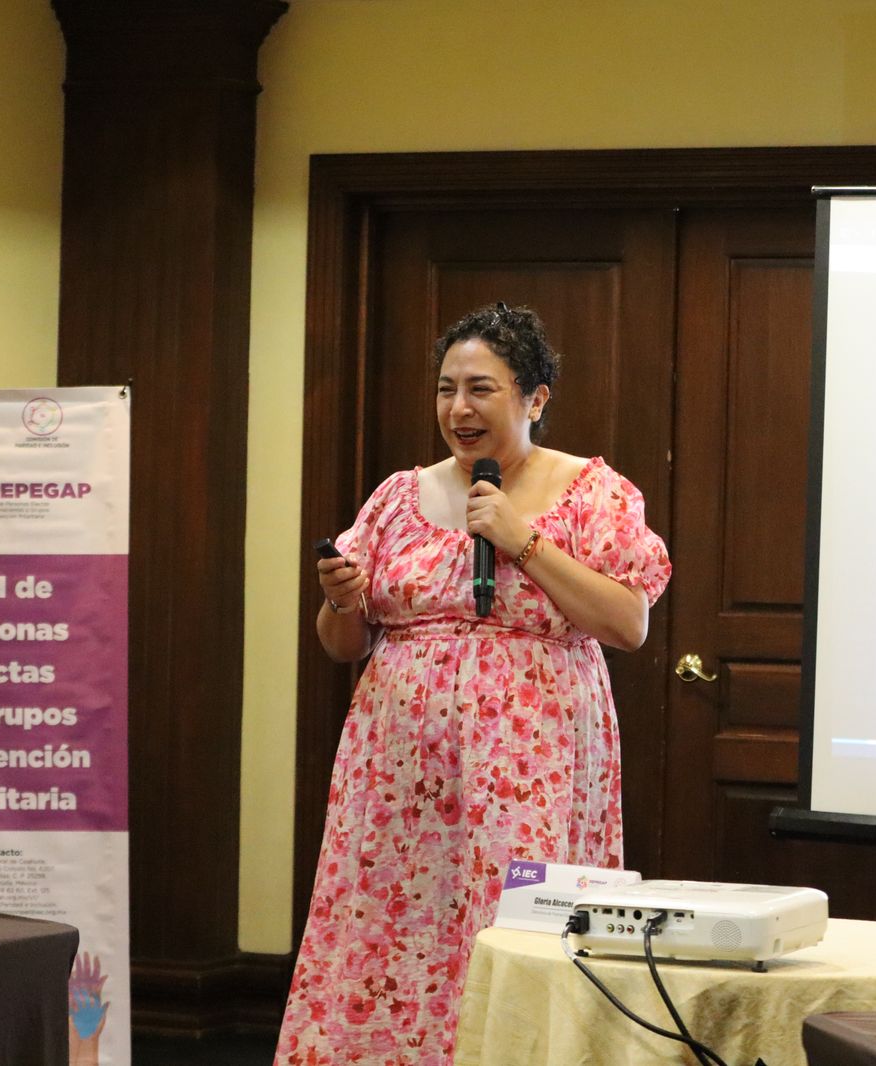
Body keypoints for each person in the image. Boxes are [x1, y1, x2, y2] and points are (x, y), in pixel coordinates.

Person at [276, 303, 671, 1066]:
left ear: (535, 398)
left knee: (515, 932)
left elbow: (628, 624)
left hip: (527, 770)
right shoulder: (396, 497)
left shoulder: (593, 492)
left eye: (481, 389)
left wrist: (521, 541)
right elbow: (342, 645)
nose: (459, 408)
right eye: (446, 389)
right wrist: (340, 600)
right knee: (389, 935)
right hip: (397, 780)